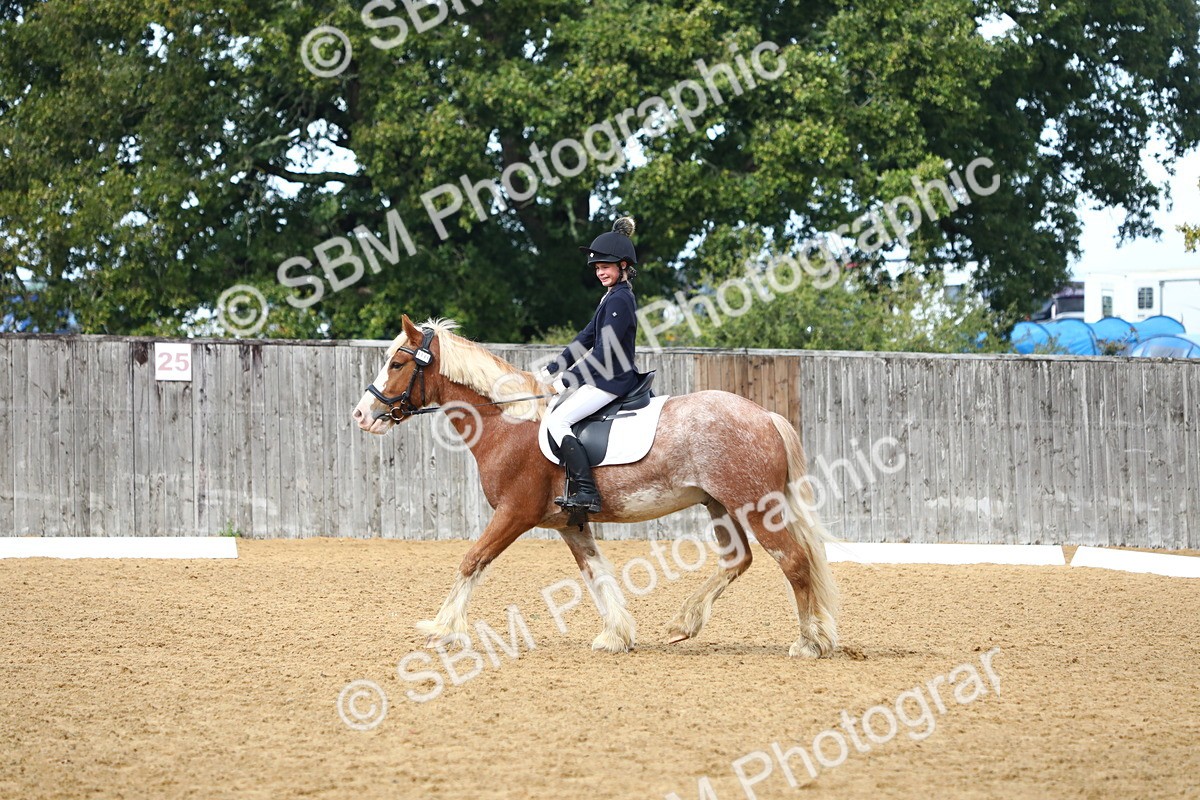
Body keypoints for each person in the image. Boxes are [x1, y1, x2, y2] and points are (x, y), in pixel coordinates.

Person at [539, 216, 640, 513]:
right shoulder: (610, 296)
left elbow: (605, 351)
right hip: (603, 377)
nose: (600, 272)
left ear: (623, 266)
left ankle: (587, 492)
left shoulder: (621, 299)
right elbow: (587, 337)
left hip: (614, 379)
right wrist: (551, 369)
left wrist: (565, 382)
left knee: (558, 421)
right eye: (597, 268)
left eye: (605, 267)